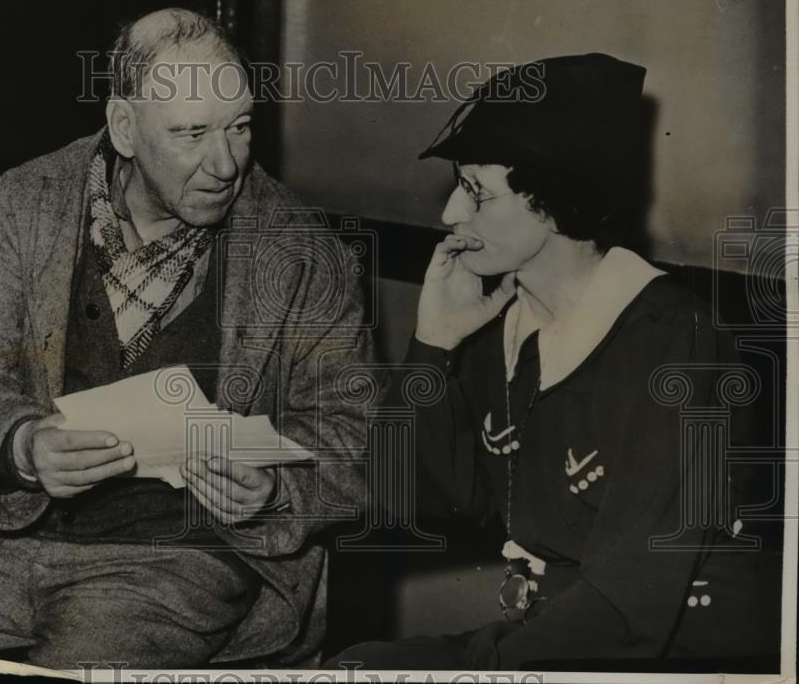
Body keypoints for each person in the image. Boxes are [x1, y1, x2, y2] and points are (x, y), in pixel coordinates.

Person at [0, 8, 372, 670]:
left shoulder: (306, 256)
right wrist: (20, 447)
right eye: (192, 133)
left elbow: (353, 447)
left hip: (173, 559)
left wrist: (273, 490)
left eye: (239, 128)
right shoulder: (26, 204)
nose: (225, 163)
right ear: (124, 128)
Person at [327, 53, 779, 671]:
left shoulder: (678, 343)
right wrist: (433, 343)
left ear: (551, 199)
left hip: (674, 655)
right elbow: (411, 497)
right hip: (552, 640)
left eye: (476, 192)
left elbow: (625, 611)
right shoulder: (507, 325)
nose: (450, 215)